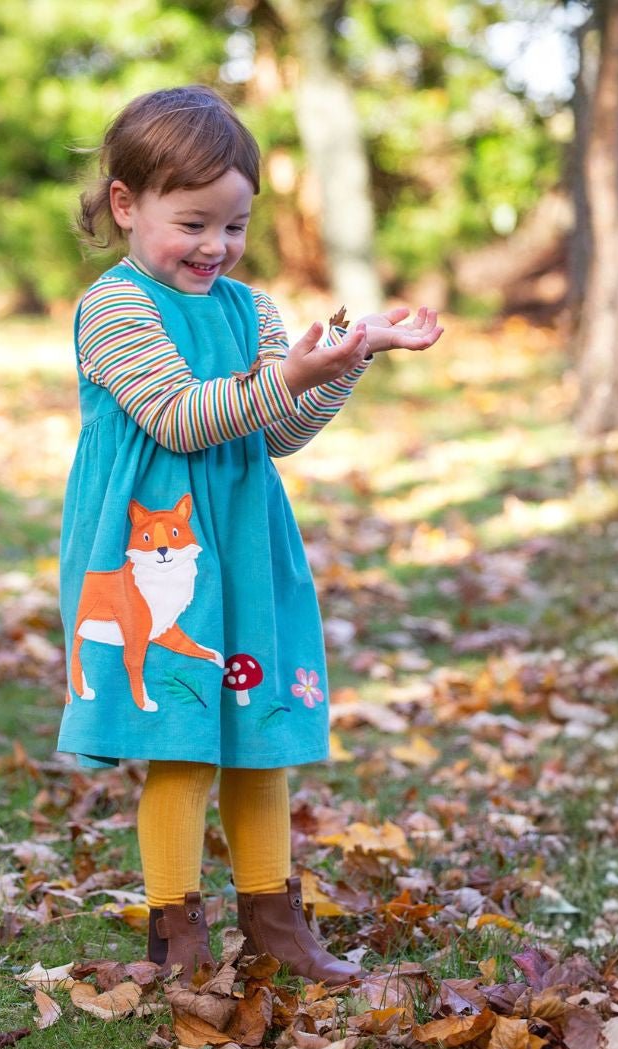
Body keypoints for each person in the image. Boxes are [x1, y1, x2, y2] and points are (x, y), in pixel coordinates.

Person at [57, 85, 442, 985]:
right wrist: (294, 373)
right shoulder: (114, 308)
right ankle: (176, 938)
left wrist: (343, 362)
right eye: (192, 223)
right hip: (154, 558)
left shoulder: (252, 310)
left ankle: (277, 925)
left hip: (248, 550)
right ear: (125, 204)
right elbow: (183, 417)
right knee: (186, 744)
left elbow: (274, 431)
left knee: (261, 736)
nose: (214, 247)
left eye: (232, 227)